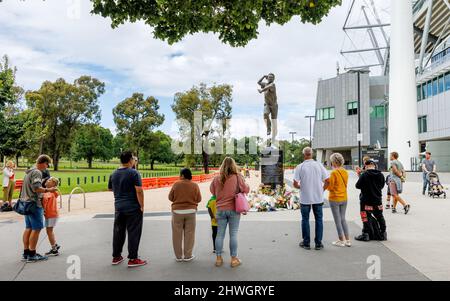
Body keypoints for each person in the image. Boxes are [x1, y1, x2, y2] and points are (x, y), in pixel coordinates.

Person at [108, 151, 147, 268]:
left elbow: (110, 189)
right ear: (130, 160)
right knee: (134, 232)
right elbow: (139, 190)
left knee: (118, 232)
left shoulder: (113, 173)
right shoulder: (134, 173)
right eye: (134, 159)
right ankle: (133, 258)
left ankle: (116, 256)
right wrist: (142, 205)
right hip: (133, 207)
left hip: (119, 207)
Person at [210, 157, 250, 268]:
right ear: (233, 165)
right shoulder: (238, 177)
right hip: (234, 209)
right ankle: (233, 259)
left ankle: (218, 259)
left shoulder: (216, 178)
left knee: (219, 235)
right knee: (233, 234)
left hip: (220, 210)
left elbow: (213, 192)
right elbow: (246, 189)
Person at [21, 155, 56, 263]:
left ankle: (26, 252)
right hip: (34, 204)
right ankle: (32, 254)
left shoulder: (29, 171)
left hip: (26, 203)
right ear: (43, 162)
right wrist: (48, 189)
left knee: (28, 228)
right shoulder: (37, 172)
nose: (47, 167)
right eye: (47, 164)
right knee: (36, 229)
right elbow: (37, 188)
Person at [294, 147, 330, 251]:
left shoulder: (300, 167)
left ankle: (306, 243)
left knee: (305, 219)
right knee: (319, 219)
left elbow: (295, 183)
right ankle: (318, 243)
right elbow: (327, 181)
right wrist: (321, 190)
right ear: (312, 154)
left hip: (305, 197)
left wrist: (302, 187)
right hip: (318, 197)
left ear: (303, 154)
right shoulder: (319, 165)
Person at [168, 168, 202, 262]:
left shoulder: (176, 184)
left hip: (177, 212)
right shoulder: (195, 185)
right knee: (189, 234)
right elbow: (199, 199)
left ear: (182, 175)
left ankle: (178, 256)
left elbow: (170, 197)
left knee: (177, 234)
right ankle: (188, 255)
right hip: (191, 211)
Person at [355, 159, 387, 242]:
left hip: (366, 201)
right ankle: (383, 233)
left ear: (366, 166)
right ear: (374, 166)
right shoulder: (380, 175)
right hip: (377, 200)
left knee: (365, 217)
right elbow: (382, 185)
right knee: (380, 216)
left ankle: (366, 234)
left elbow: (357, 186)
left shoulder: (364, 175)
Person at [326, 153, 351, 247]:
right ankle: (348, 240)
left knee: (337, 220)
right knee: (343, 219)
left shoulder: (333, 173)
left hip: (334, 198)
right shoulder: (345, 171)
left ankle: (341, 240)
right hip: (344, 197)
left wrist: (327, 183)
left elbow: (331, 187)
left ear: (334, 162)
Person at [42, 177, 61, 256]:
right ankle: (55, 245)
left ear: (53, 184)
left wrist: (43, 211)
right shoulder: (52, 193)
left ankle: (54, 249)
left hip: (50, 214)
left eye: (49, 180)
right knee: (50, 231)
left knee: (49, 231)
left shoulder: (48, 194)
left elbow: (45, 204)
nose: (47, 180)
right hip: (53, 214)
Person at [258, 73, 278, 138]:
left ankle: (274, 132)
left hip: (274, 105)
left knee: (274, 120)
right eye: (269, 77)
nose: (270, 78)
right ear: (267, 78)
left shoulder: (273, 85)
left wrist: (261, 90)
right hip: (267, 104)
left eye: (272, 78)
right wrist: (263, 76)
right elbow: (258, 82)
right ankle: (268, 128)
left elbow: (267, 87)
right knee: (265, 114)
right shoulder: (265, 84)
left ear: (274, 79)